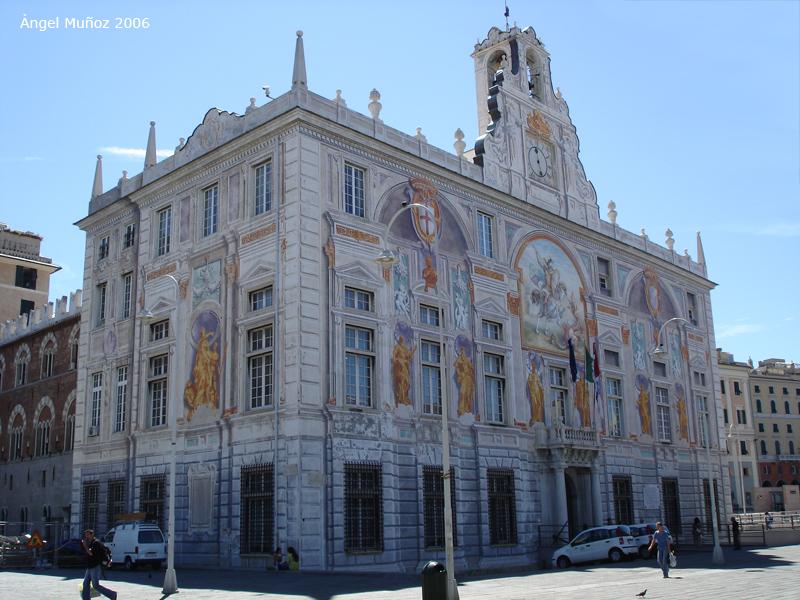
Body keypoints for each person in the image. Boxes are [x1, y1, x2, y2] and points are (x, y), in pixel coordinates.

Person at [80, 529, 117, 600]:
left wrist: (84, 545)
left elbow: (91, 553)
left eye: (88, 535)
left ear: (92, 535)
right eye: (85, 535)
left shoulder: (96, 543)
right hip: (90, 566)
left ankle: (112, 595)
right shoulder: (90, 542)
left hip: (95, 566)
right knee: (85, 584)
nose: (86, 536)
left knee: (95, 585)